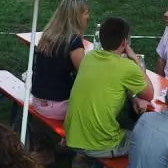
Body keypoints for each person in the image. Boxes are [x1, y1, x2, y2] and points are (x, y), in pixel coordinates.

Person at [64, 17, 154, 158]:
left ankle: (84, 162)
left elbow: (110, 83)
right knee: (146, 137)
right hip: (100, 144)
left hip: (72, 137)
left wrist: (133, 97)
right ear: (125, 42)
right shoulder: (127, 67)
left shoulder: (90, 56)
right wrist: (136, 60)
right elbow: (149, 95)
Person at [28, 0, 88, 120]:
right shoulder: (73, 42)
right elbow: (85, 74)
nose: (87, 17)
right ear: (77, 17)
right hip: (57, 106)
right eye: (85, 13)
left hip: (38, 100)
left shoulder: (48, 34)